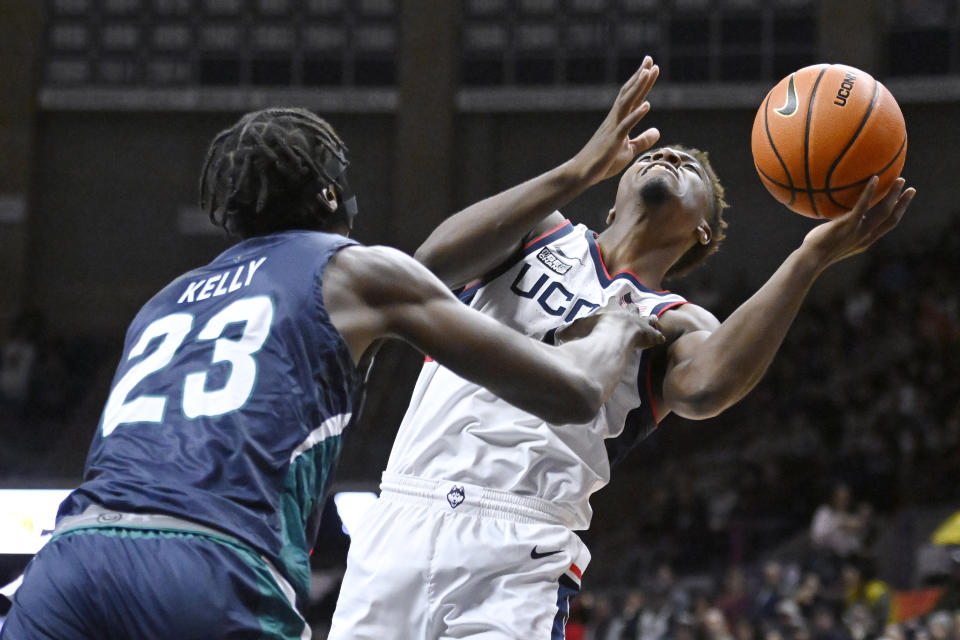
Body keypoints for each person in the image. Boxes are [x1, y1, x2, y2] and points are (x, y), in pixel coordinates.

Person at [0, 108, 663, 639]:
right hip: (210, 560)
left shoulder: (164, 300)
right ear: (328, 191)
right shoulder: (351, 267)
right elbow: (573, 393)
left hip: (71, 558)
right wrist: (618, 323)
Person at [329, 55, 916, 639]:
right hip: (403, 506)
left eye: (690, 168)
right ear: (611, 201)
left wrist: (807, 259)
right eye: (662, 153)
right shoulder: (542, 229)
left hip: (519, 547)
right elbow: (429, 266)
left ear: (702, 231)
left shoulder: (675, 322)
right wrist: (577, 171)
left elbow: (708, 386)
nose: (670, 156)